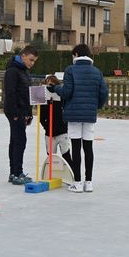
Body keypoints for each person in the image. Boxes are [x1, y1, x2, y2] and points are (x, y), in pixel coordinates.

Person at [51, 44, 109, 193]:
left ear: (76, 54)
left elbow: (67, 92)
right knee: (88, 148)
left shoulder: (70, 70)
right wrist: (95, 106)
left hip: (74, 114)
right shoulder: (97, 72)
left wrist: (55, 88)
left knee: (76, 148)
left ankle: (77, 183)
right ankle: (88, 182)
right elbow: (104, 93)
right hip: (89, 114)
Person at [3, 45, 39, 185]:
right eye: (31, 59)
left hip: (22, 111)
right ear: (23, 56)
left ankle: (14, 173)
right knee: (20, 141)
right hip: (15, 111)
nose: (32, 63)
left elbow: (27, 93)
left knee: (15, 140)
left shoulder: (24, 71)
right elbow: (10, 93)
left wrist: (29, 113)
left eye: (34, 61)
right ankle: (17, 173)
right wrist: (15, 113)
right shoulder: (12, 71)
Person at [39, 75, 73, 167]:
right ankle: (53, 172)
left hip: (61, 131)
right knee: (52, 156)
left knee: (65, 154)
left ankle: (71, 171)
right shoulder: (44, 96)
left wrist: (64, 124)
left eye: (52, 83)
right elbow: (41, 115)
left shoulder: (61, 95)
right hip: (50, 132)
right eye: (48, 84)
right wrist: (46, 126)